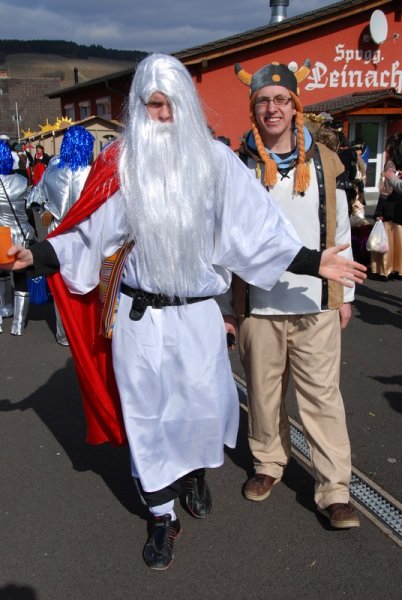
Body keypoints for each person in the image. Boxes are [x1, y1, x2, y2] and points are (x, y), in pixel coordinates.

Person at [3, 54, 366, 569]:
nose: (164, 115)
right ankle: (161, 516)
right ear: (139, 107)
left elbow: (255, 230)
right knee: (147, 418)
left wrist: (312, 261)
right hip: (139, 320)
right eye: (154, 105)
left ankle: (193, 474)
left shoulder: (216, 164)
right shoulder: (122, 165)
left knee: (201, 411)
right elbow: (87, 235)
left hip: (196, 318)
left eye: (172, 103)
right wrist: (35, 256)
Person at [229, 60, 361, 529]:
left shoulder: (324, 162)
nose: (272, 108)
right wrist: (226, 307)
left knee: (323, 398)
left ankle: (334, 489)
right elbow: (226, 240)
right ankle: (268, 462)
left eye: (281, 100)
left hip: (315, 301)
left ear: (295, 107)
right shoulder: (238, 166)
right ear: (254, 109)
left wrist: (345, 295)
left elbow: (340, 231)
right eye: (264, 101)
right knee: (263, 396)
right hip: (258, 304)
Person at [27, 125, 95, 345]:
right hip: (87, 234)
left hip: (57, 234)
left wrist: (46, 210)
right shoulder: (93, 173)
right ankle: (85, 332)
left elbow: (34, 198)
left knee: (61, 285)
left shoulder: (53, 170)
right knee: (87, 283)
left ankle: (64, 333)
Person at [0, 140, 36, 335]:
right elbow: (30, 206)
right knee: (21, 277)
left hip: (1, 235)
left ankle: (4, 308)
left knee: (1, 273)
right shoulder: (22, 181)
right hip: (20, 234)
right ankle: (18, 324)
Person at [371, 133, 402, 279]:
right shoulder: (393, 164)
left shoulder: (390, 164)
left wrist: (379, 210)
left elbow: (386, 188)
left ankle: (386, 269)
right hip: (396, 205)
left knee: (389, 237)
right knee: (396, 236)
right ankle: (396, 268)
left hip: (391, 203)